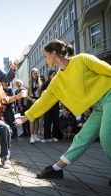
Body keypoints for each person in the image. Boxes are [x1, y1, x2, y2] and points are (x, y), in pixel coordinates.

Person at [16, 39, 111, 185]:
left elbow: (108, 70)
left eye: (45, 56)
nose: (44, 60)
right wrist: (25, 117)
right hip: (99, 106)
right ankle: (56, 168)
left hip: (109, 93)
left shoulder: (82, 59)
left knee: (106, 136)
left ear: (54, 53)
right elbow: (44, 100)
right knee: (81, 138)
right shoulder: (57, 81)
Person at [41, 70, 60, 143]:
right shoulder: (46, 84)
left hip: (55, 104)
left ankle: (55, 136)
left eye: (55, 74)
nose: (54, 76)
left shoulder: (58, 83)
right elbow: (42, 94)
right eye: (53, 74)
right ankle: (47, 137)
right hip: (47, 104)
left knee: (56, 120)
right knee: (47, 120)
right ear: (49, 76)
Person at [26, 68, 43, 143]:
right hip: (31, 101)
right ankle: (31, 136)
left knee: (37, 119)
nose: (35, 75)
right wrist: (31, 99)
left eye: (37, 73)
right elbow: (25, 94)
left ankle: (35, 135)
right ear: (31, 74)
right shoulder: (29, 83)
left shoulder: (40, 83)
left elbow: (42, 93)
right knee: (31, 119)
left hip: (38, 101)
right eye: (34, 73)